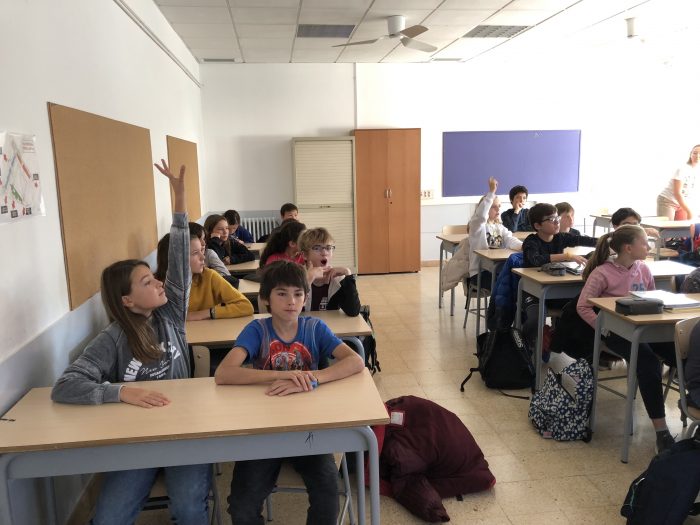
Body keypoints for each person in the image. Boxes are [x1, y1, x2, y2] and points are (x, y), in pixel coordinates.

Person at [51, 161, 211, 524]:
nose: (158, 282)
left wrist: (180, 199)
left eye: (154, 277)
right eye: (146, 282)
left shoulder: (170, 313)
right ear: (127, 300)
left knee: (188, 508)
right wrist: (121, 392)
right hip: (136, 439)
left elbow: (179, 262)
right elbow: (66, 386)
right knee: (108, 517)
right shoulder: (113, 338)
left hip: (184, 431)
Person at [214, 260, 365, 525]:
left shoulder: (314, 328)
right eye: (282, 294)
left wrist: (312, 378)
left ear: (305, 298)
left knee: (327, 493)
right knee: (241, 506)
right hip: (265, 430)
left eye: (298, 294)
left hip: (309, 430)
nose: (291, 301)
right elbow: (224, 373)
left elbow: (355, 361)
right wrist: (283, 375)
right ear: (266, 299)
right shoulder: (257, 330)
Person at [576, 225, 676, 454]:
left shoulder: (644, 269)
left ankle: (692, 404)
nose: (649, 247)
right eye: (644, 243)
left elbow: (652, 300)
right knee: (648, 362)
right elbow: (583, 307)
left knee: (682, 351)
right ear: (628, 248)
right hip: (616, 333)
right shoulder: (602, 272)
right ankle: (661, 432)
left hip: (646, 329)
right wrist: (604, 329)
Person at [521, 203, 597, 354]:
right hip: (533, 291)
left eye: (557, 217)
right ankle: (526, 347)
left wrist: (609, 240)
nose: (557, 222)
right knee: (535, 318)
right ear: (537, 225)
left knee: (582, 308)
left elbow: (584, 240)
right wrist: (566, 256)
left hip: (556, 290)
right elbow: (535, 260)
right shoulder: (531, 241)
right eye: (551, 219)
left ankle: (557, 341)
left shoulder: (560, 237)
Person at [155, 229, 253, 321]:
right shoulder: (157, 285)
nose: (203, 257)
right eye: (195, 253)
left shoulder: (209, 276)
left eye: (201, 251)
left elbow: (246, 306)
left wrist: (205, 313)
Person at [468, 177, 522, 290]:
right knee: (509, 285)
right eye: (493, 207)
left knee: (519, 280)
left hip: (497, 269)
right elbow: (481, 216)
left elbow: (510, 239)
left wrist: (524, 246)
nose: (498, 209)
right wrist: (492, 192)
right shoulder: (477, 225)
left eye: (499, 206)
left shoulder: (499, 227)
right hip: (480, 273)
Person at [298, 227, 360, 316]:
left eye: (328, 248)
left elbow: (353, 311)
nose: (324, 253)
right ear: (304, 255)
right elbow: (291, 312)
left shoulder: (338, 279)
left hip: (330, 325)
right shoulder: (295, 277)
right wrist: (308, 279)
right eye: (317, 248)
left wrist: (347, 274)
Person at [184, 222, 239, 289]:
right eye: (198, 239)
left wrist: (208, 276)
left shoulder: (208, 253)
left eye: (204, 239)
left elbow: (228, 277)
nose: (203, 243)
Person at [657, 145, 700, 220]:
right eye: (695, 153)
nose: (697, 155)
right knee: (667, 227)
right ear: (690, 155)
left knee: (683, 226)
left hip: (681, 203)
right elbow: (677, 193)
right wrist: (688, 211)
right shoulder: (682, 169)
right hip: (667, 201)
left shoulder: (696, 171)